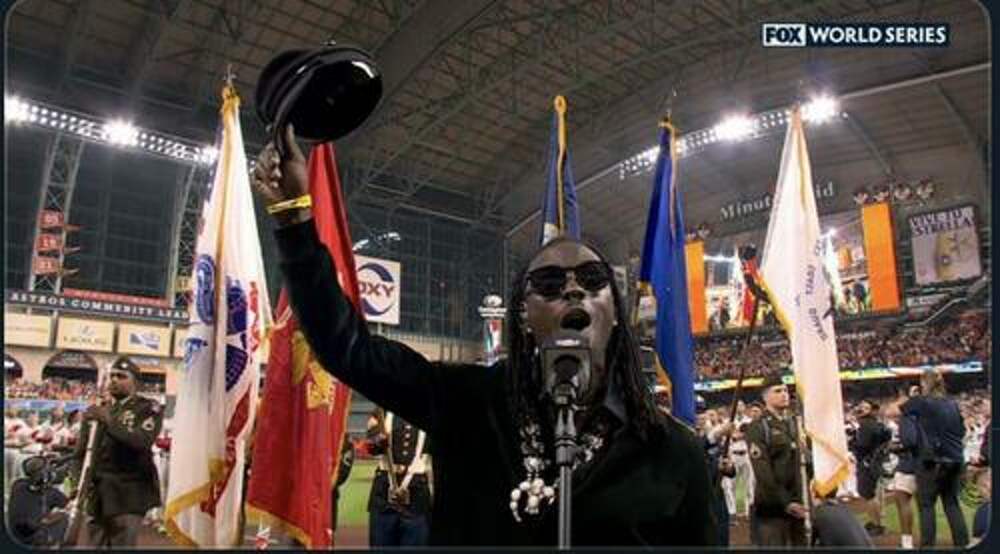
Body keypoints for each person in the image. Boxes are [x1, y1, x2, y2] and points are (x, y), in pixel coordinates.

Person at [249, 126, 719, 546]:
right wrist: (294, 221)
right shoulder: (466, 402)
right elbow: (347, 348)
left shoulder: (674, 452)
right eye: (549, 283)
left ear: (615, 311)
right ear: (524, 314)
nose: (573, 289)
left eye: (594, 280)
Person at [70, 356, 163, 548]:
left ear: (135, 382)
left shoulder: (148, 408)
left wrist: (109, 421)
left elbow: (142, 441)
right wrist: (77, 485)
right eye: (112, 375)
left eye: (121, 376)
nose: (114, 380)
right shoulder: (96, 411)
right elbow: (80, 454)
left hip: (128, 495)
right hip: (97, 495)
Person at [901, 369, 969, 547]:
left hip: (931, 462)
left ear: (924, 383)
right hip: (955, 459)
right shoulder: (953, 404)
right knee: (952, 504)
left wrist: (912, 396)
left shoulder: (921, 402)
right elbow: (962, 431)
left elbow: (895, 410)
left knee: (926, 506)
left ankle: (928, 546)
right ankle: (962, 545)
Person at [745, 374, 806, 547]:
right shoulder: (758, 427)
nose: (784, 394)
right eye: (777, 391)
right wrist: (786, 503)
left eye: (785, 390)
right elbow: (763, 472)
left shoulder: (794, 424)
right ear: (765, 397)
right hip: (772, 508)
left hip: (798, 503)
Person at [365, 409, 432, 547]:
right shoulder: (381, 412)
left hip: (417, 497)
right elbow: (372, 448)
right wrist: (377, 439)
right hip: (384, 495)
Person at [848, 399, 891, 536]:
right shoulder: (878, 424)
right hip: (876, 461)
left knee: (868, 495)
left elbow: (862, 445)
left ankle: (877, 524)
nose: (861, 409)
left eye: (865, 407)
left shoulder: (866, 425)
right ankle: (877, 522)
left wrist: (852, 442)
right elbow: (886, 438)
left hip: (867, 462)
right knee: (876, 494)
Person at [885, 396, 920, 549]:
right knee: (925, 505)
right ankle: (927, 539)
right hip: (924, 465)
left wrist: (895, 448)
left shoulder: (907, 420)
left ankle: (907, 542)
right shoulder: (921, 418)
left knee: (902, 500)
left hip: (908, 464)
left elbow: (910, 442)